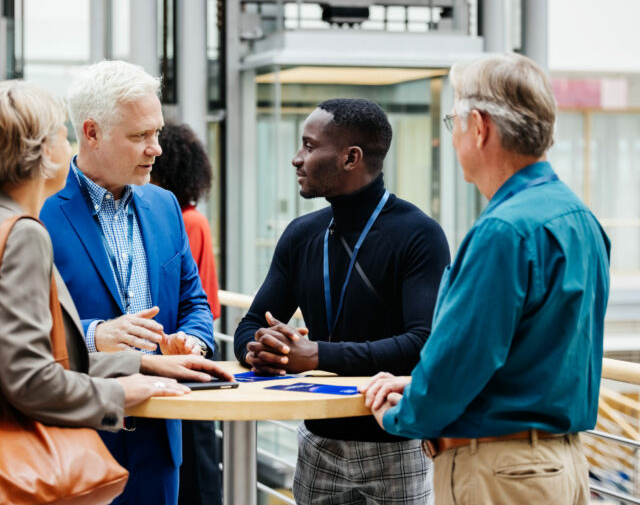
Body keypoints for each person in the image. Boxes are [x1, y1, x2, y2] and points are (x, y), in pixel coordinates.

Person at [0, 79, 230, 505]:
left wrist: (144, 362)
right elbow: (31, 378)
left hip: (11, 461)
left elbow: (17, 357)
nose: (67, 144)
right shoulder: (21, 233)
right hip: (40, 458)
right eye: (60, 134)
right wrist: (128, 388)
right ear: (40, 149)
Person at [361, 53, 610, 505]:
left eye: (452, 120)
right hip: (564, 464)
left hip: (501, 473)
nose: (452, 136)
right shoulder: (579, 218)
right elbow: (533, 356)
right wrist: (420, 383)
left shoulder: (503, 231)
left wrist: (402, 414)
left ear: (479, 126)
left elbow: (463, 357)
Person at [233, 98, 450, 504]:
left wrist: (314, 355)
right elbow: (247, 327)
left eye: (310, 147)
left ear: (351, 158)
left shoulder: (420, 234)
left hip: (395, 438)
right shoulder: (301, 235)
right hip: (319, 443)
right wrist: (268, 350)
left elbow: (423, 346)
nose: (297, 159)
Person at [41, 61, 216, 505]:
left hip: (159, 439)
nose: (156, 149)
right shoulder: (39, 212)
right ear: (91, 132)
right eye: (140, 136)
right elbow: (19, 335)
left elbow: (194, 301)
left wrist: (191, 343)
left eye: (156, 133)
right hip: (76, 439)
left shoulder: (165, 206)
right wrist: (94, 336)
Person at [151, 122, 222, 505]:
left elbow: (193, 299)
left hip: (182, 354)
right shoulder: (188, 217)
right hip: (176, 354)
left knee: (198, 469)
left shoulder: (184, 220)